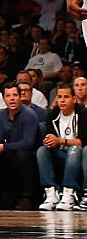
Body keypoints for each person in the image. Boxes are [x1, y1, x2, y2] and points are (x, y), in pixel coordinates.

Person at [0, 82, 39, 210]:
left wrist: (3, 147)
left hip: (29, 153)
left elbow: (28, 143)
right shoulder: (0, 115)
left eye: (15, 95)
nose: (12, 98)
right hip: (9, 151)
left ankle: (27, 198)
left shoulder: (29, 115)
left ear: (20, 97)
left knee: (21, 155)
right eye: (8, 96)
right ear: (4, 99)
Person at [37, 82, 87, 211]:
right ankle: (51, 193)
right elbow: (50, 139)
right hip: (60, 155)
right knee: (42, 150)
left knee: (75, 149)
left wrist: (60, 141)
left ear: (74, 99)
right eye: (59, 97)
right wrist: (49, 141)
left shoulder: (82, 113)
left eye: (66, 97)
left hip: (79, 156)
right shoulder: (52, 115)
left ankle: (69, 193)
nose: (62, 100)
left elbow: (82, 142)